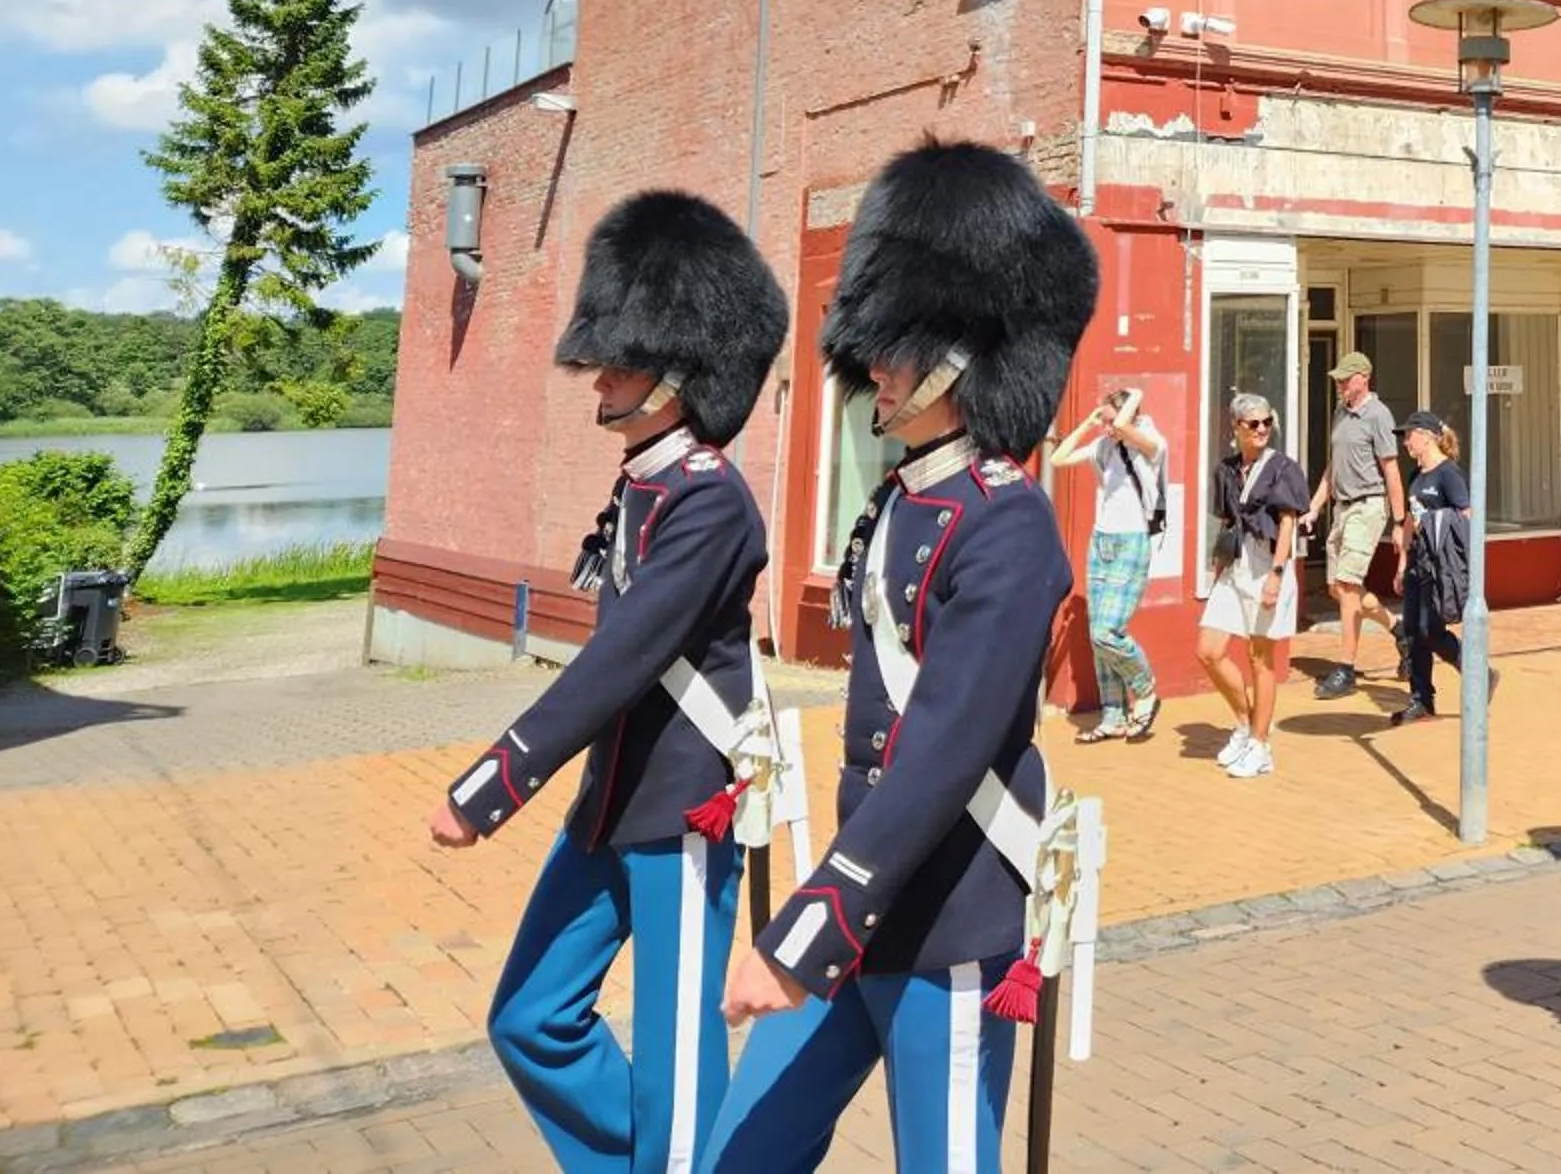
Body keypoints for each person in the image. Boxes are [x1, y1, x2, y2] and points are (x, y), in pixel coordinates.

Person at [704, 139, 1096, 1173]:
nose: (874, 362)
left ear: (962, 353)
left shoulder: (1009, 525)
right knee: (741, 1151)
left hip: (948, 908)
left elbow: (945, 746)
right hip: (865, 893)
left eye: (898, 341)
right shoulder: (900, 500)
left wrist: (808, 928)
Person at [431, 190, 788, 1174]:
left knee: (680, 1076)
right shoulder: (643, 484)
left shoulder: (713, 503)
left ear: (679, 373)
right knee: (530, 1018)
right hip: (609, 803)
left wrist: (492, 782)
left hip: (681, 812)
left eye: (626, 358)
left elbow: (621, 658)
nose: (606, 374)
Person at [1197, 393, 1309, 778]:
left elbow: (1289, 523)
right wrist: (1217, 564)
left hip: (1266, 566)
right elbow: (1227, 520)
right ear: (1236, 428)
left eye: (1266, 422)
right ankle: (1245, 723)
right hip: (1235, 566)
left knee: (1260, 659)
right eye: (1253, 424)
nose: (1262, 429)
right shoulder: (1226, 469)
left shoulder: (1282, 468)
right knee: (1209, 650)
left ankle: (1261, 746)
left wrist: (1276, 576)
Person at [1051, 386, 1168, 744]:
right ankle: (1113, 716)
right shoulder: (1103, 446)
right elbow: (1057, 458)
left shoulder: (1150, 441)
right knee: (1096, 636)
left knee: (1107, 631)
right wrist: (1088, 422)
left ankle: (1145, 688)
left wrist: (1132, 397)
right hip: (1101, 541)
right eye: (1102, 421)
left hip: (1132, 541)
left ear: (1128, 415)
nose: (1106, 426)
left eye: (1108, 419)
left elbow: (1123, 422)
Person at [1307, 352, 1407, 700]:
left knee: (1348, 586)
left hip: (1368, 505)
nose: (1340, 385)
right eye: (1338, 379)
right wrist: (1315, 506)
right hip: (1342, 508)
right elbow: (1333, 468)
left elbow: (1391, 469)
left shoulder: (1378, 415)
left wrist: (1399, 522)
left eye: (1346, 379)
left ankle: (1346, 668)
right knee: (1337, 588)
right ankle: (1400, 630)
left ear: (1364, 377)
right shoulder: (1340, 413)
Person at [1392, 411, 1471, 724]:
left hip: (1441, 566)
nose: (1406, 443)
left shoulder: (1448, 474)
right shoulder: (1416, 476)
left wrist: (1437, 523)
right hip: (1417, 563)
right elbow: (1410, 521)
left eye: (1409, 436)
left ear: (1426, 436)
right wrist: (1401, 563)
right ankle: (1421, 700)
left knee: (1430, 630)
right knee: (1412, 633)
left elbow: (1466, 517)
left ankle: (1476, 670)